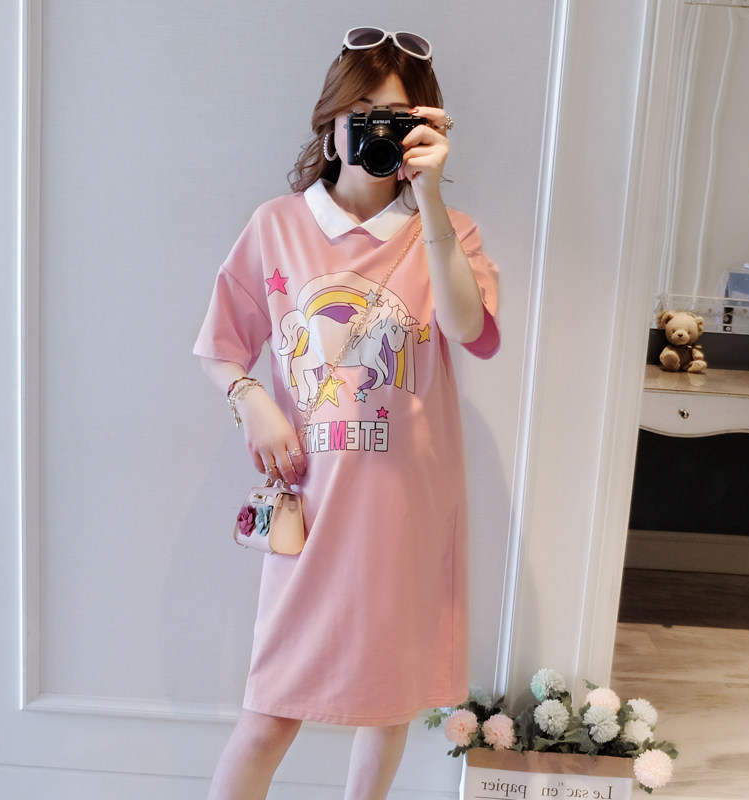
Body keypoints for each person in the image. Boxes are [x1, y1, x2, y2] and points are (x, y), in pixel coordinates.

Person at [194, 26, 500, 800]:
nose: (371, 133)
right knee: (269, 717)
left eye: (392, 118)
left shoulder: (448, 233)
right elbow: (218, 347)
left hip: (405, 513)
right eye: (358, 114)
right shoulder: (277, 226)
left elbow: (468, 327)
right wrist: (252, 400)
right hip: (312, 512)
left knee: (388, 707)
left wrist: (430, 197)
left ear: (424, 129)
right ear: (328, 122)